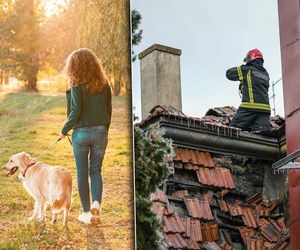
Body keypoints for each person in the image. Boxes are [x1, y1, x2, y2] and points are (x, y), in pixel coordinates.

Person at [59, 48, 112, 225]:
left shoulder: (76, 86)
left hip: (81, 133)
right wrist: (104, 130)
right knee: (96, 171)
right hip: (100, 132)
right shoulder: (105, 85)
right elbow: (108, 111)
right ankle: (96, 202)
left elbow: (75, 112)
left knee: (82, 174)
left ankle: (86, 213)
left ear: (74, 67)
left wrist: (63, 130)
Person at [226, 48, 271, 132]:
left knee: (232, 130)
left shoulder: (247, 70)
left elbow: (229, 74)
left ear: (250, 58)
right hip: (265, 111)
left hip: (249, 108)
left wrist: (244, 68)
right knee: (264, 134)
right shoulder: (266, 74)